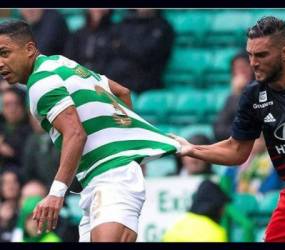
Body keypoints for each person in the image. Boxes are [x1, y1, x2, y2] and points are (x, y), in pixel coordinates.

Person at [0, 20, 180, 242]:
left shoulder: (40, 82)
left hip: (111, 176)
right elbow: (122, 92)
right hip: (96, 182)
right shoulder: (59, 62)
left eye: (5, 53)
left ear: (29, 49)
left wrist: (56, 193)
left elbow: (76, 134)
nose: (0, 63)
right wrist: (128, 146)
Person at [172, 16, 285, 242]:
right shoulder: (253, 95)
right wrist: (192, 149)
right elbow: (237, 150)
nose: (253, 63)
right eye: (250, 54)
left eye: (261, 55)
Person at [106, 9, 174, 93]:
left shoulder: (162, 27)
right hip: (116, 78)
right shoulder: (125, 23)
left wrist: (122, 47)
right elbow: (109, 48)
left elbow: (147, 55)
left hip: (143, 83)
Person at [162, 180, 230, 242]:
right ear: (217, 207)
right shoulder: (215, 233)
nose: (223, 212)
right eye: (223, 208)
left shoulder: (176, 228)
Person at [213, 52, 254, 141]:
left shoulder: (263, 91)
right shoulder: (232, 97)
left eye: (244, 66)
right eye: (237, 68)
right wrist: (236, 94)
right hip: (234, 143)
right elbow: (219, 130)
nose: (241, 72)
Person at [64, 9, 114, 74]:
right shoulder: (78, 34)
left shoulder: (114, 33)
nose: (97, 10)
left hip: (104, 78)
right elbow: (69, 59)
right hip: (79, 76)